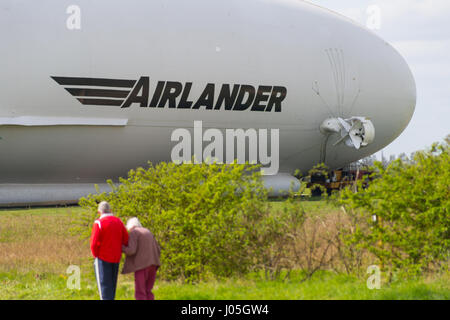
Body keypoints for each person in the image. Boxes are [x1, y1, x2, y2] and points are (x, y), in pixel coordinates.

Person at [90, 201, 129, 300]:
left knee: (104, 290)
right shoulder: (118, 221)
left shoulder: (99, 223)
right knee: (111, 288)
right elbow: (126, 239)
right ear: (110, 210)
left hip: (102, 258)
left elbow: (94, 243)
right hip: (116, 258)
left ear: (99, 212)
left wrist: (95, 255)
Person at [122, 217, 161, 300]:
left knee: (140, 293)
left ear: (130, 227)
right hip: (153, 264)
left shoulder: (134, 232)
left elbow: (131, 250)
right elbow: (158, 249)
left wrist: (120, 247)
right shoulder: (148, 231)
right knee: (148, 291)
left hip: (142, 266)